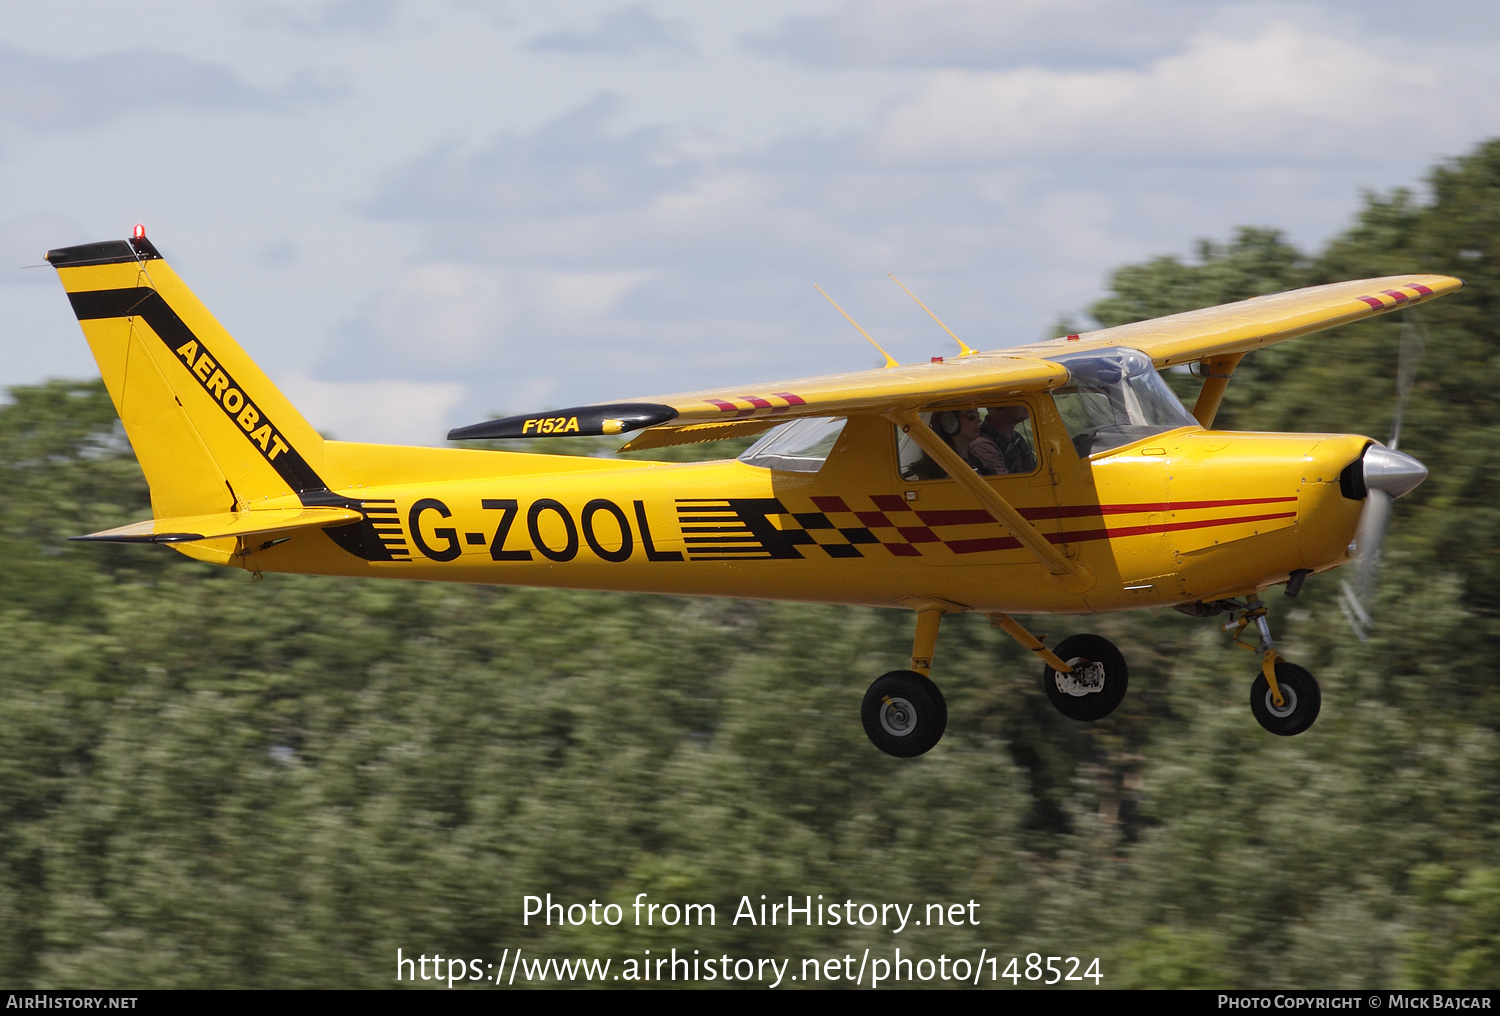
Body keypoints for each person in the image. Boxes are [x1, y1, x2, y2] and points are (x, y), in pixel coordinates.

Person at [933, 409, 1008, 476]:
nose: (979, 421)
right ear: (950, 422)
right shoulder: (941, 468)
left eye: (977, 415)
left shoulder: (977, 462)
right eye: (972, 416)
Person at [981, 404, 1038, 474]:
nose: (1024, 404)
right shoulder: (982, 443)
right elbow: (1005, 482)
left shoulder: (1017, 438)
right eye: (1016, 398)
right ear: (994, 406)